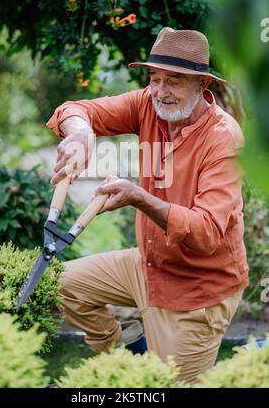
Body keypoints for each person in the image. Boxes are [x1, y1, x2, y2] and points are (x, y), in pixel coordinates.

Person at [46, 27, 249, 384]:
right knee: (61, 284)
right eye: (154, 78)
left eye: (173, 80)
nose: (159, 90)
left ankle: (144, 370)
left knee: (167, 387)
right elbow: (76, 109)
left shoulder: (223, 139)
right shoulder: (148, 104)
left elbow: (206, 233)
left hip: (196, 285)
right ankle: (127, 351)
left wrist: (139, 198)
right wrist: (80, 133)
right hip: (149, 263)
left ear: (201, 85)